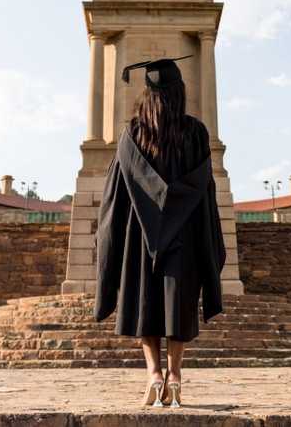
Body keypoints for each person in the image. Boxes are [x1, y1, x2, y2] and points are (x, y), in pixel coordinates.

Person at [94, 55, 226, 408]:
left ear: (147, 93)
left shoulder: (132, 134)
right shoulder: (196, 132)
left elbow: (115, 196)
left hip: (141, 239)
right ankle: (176, 376)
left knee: (145, 304)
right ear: (180, 92)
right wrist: (207, 242)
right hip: (182, 238)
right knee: (177, 306)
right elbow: (204, 191)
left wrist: (111, 241)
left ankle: (153, 375)